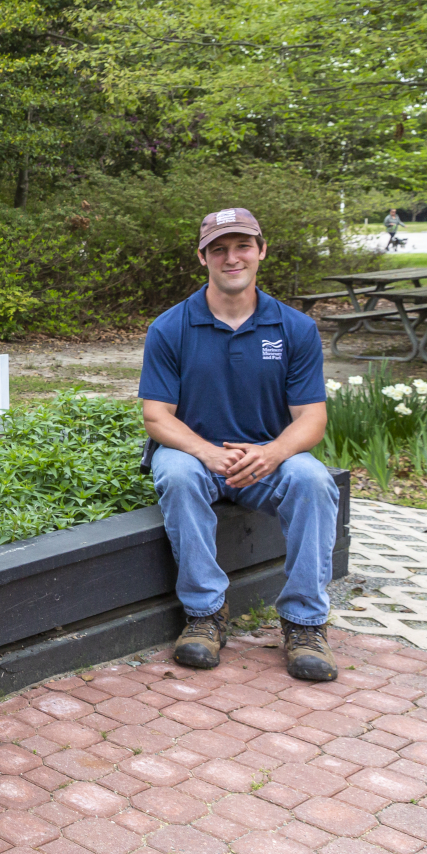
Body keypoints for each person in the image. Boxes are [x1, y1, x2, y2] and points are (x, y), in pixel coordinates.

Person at [140, 207, 340, 682]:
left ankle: (304, 623)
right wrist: (208, 452)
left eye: (242, 246)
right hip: (197, 455)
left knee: (313, 479)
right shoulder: (171, 327)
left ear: (261, 251)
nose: (232, 258)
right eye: (219, 249)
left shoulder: (294, 328)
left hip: (264, 460)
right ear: (203, 257)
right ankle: (205, 614)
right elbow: (156, 417)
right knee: (176, 472)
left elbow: (312, 419)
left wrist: (272, 453)